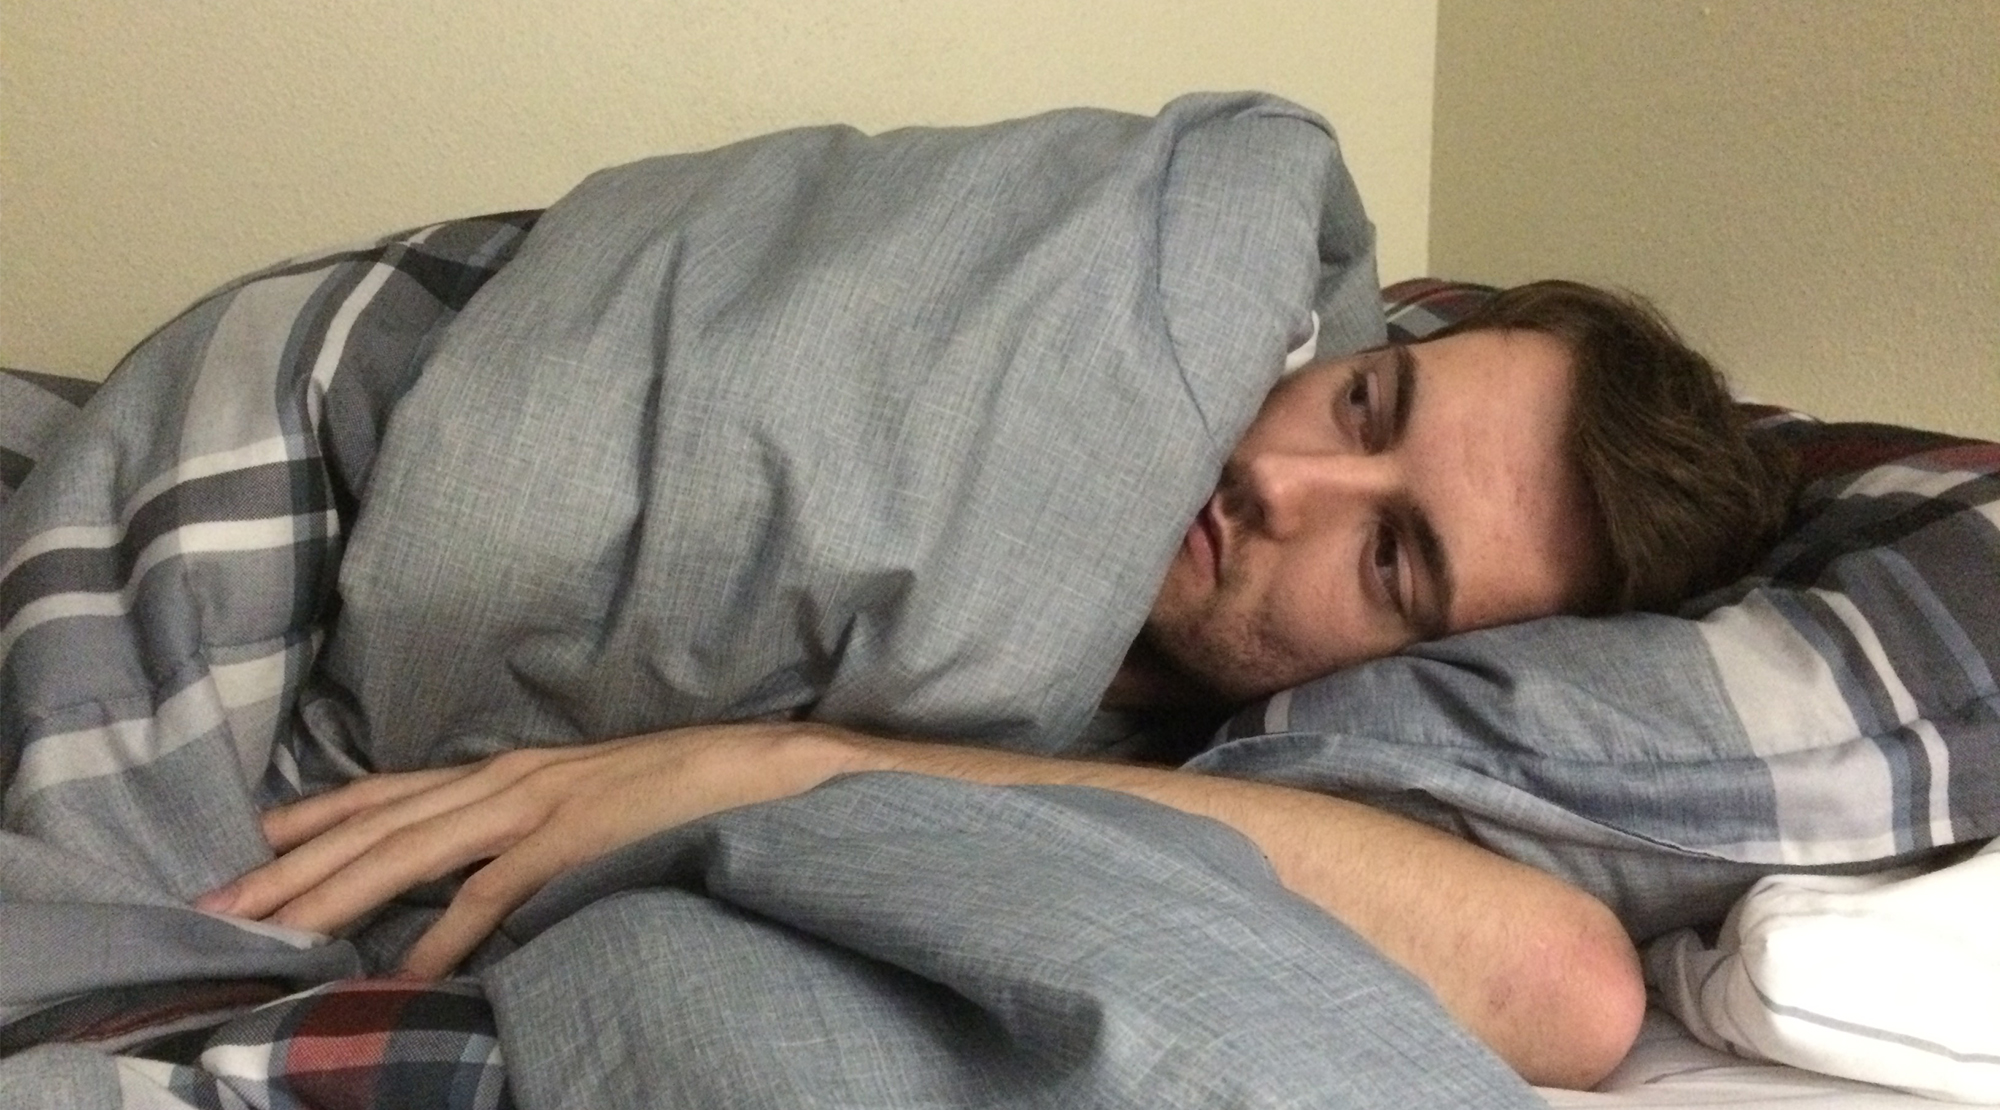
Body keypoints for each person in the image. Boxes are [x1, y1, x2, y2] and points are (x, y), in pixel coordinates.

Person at [195, 280, 1794, 1090]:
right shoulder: (1100, 353)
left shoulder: (1232, 768)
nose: (1283, 478)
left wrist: (789, 767)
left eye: (1391, 560)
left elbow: (1560, 985)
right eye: (1365, 402)